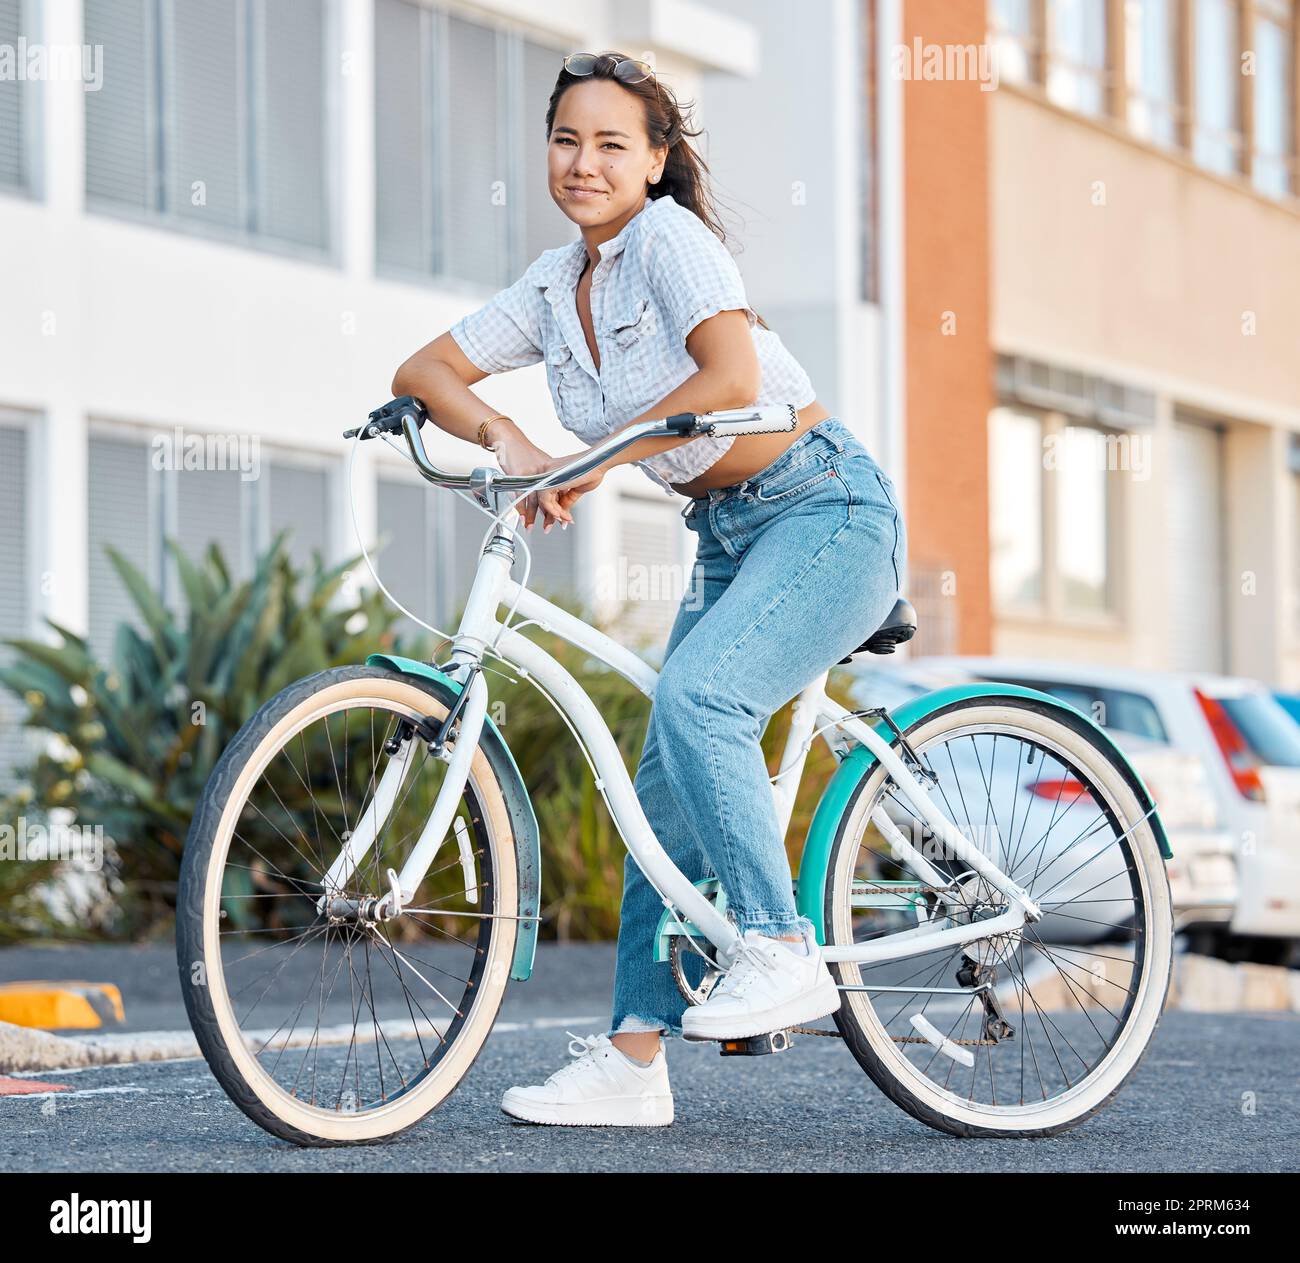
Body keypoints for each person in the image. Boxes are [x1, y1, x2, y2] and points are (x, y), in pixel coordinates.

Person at [391, 51, 907, 1127]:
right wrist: (510, 438)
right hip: (726, 535)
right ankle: (632, 1062)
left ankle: (777, 944)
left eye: (612, 143)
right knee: (656, 795)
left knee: (699, 701)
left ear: (656, 160)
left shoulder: (670, 242)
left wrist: (591, 462)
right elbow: (425, 373)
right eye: (566, 139)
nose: (584, 162)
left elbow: (729, 380)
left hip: (826, 511)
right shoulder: (552, 284)